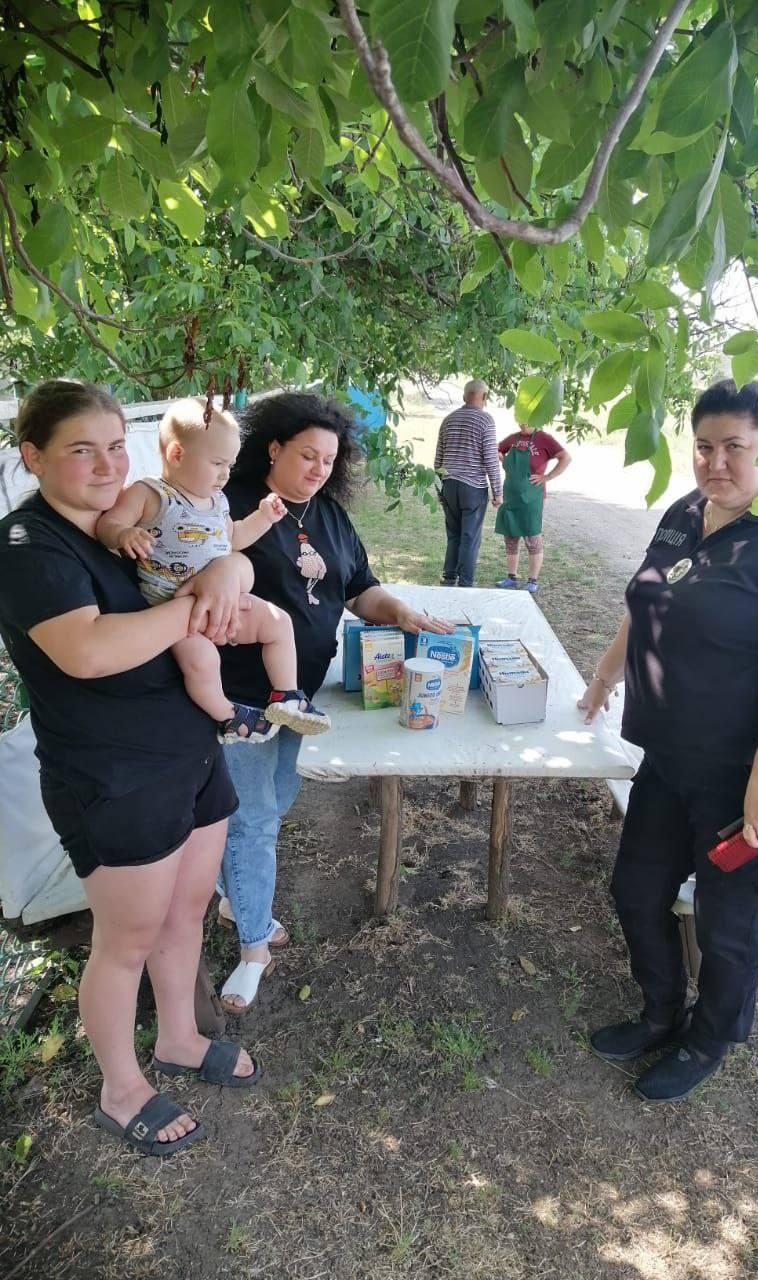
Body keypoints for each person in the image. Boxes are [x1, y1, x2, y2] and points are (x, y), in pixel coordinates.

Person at [0, 380, 261, 1158]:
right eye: (81, 450)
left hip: (191, 752)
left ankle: (178, 1036)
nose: (107, 465)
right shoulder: (29, 546)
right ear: (32, 457)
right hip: (112, 775)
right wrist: (198, 600)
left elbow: (227, 558)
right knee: (126, 940)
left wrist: (229, 574)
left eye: (116, 446)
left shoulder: (134, 520)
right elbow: (88, 651)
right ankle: (120, 1090)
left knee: (186, 913)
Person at [579, 379, 758, 1102]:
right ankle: (661, 1012)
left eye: (735, 447)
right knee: (636, 890)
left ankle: (709, 1039)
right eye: (703, 446)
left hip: (748, 778)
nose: (715, 462)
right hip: (671, 759)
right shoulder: (684, 513)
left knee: (726, 921)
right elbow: (645, 603)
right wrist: (604, 676)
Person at [216, 392, 454, 1013]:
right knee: (253, 821)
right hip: (240, 696)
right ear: (273, 449)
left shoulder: (329, 517)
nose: (320, 469)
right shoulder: (232, 509)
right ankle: (253, 947)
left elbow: (359, 590)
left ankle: (232, 891)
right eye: (307, 456)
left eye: (329, 459)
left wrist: (398, 611)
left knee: (274, 803)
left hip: (299, 695)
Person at [96, 397, 330, 743]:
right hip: (175, 613)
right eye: (218, 463)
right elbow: (108, 523)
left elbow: (233, 539)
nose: (225, 474)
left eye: (230, 465)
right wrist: (123, 534)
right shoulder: (150, 493)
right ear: (177, 454)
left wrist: (264, 517)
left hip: (225, 604)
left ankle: (287, 696)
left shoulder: (217, 500)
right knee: (202, 663)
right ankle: (229, 717)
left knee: (279, 623)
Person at [433, 378, 503, 587]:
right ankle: (465, 582)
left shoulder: (448, 420)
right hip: (473, 487)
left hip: (449, 484)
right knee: (470, 537)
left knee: (453, 534)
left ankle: (449, 577)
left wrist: (439, 489)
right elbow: (491, 459)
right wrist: (498, 492)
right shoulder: (485, 421)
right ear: (485, 397)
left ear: (464, 396)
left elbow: (438, 458)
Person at [494, 421, 571, 594]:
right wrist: (500, 455)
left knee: (532, 537)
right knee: (510, 537)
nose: (522, 423)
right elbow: (495, 449)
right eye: (519, 418)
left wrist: (548, 476)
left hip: (532, 498)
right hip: (511, 496)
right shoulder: (513, 439)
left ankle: (532, 580)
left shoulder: (545, 439)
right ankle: (511, 578)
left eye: (526, 419)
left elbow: (566, 458)